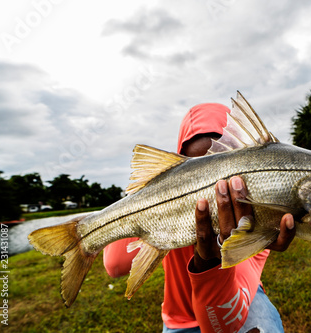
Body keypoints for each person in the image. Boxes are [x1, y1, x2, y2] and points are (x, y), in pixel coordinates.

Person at [103, 103, 296, 332]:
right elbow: (115, 265)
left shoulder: (256, 216)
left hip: (243, 296)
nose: (213, 193)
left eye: (223, 172)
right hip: (179, 318)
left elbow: (220, 324)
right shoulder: (164, 206)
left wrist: (213, 260)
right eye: (198, 177)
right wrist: (145, 194)